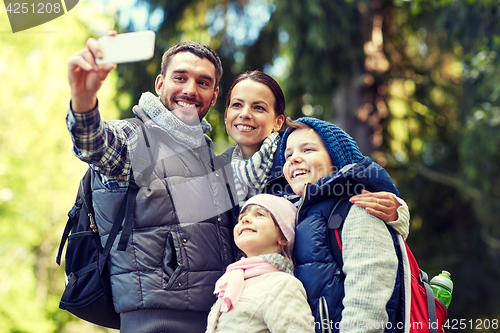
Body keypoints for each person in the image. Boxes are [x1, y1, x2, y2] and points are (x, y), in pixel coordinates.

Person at [66, 33, 237, 333]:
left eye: (203, 82)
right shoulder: (136, 139)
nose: (190, 89)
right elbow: (94, 144)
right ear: (160, 84)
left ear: (213, 94)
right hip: (154, 324)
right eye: (180, 77)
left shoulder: (212, 156)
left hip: (215, 322)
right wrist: (83, 99)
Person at [224, 70, 409, 237]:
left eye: (259, 107)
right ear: (226, 115)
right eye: (237, 105)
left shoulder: (299, 159)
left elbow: (359, 177)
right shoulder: (215, 174)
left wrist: (398, 213)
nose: (245, 114)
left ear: (278, 122)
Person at [280, 117, 403, 332]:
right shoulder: (292, 217)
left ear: (337, 159)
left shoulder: (357, 209)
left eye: (307, 150)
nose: (294, 159)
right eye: (288, 155)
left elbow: (367, 301)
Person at [205, 194, 315, 332]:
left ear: (283, 237)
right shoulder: (232, 280)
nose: (245, 219)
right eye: (241, 218)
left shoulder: (282, 285)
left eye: (259, 214)